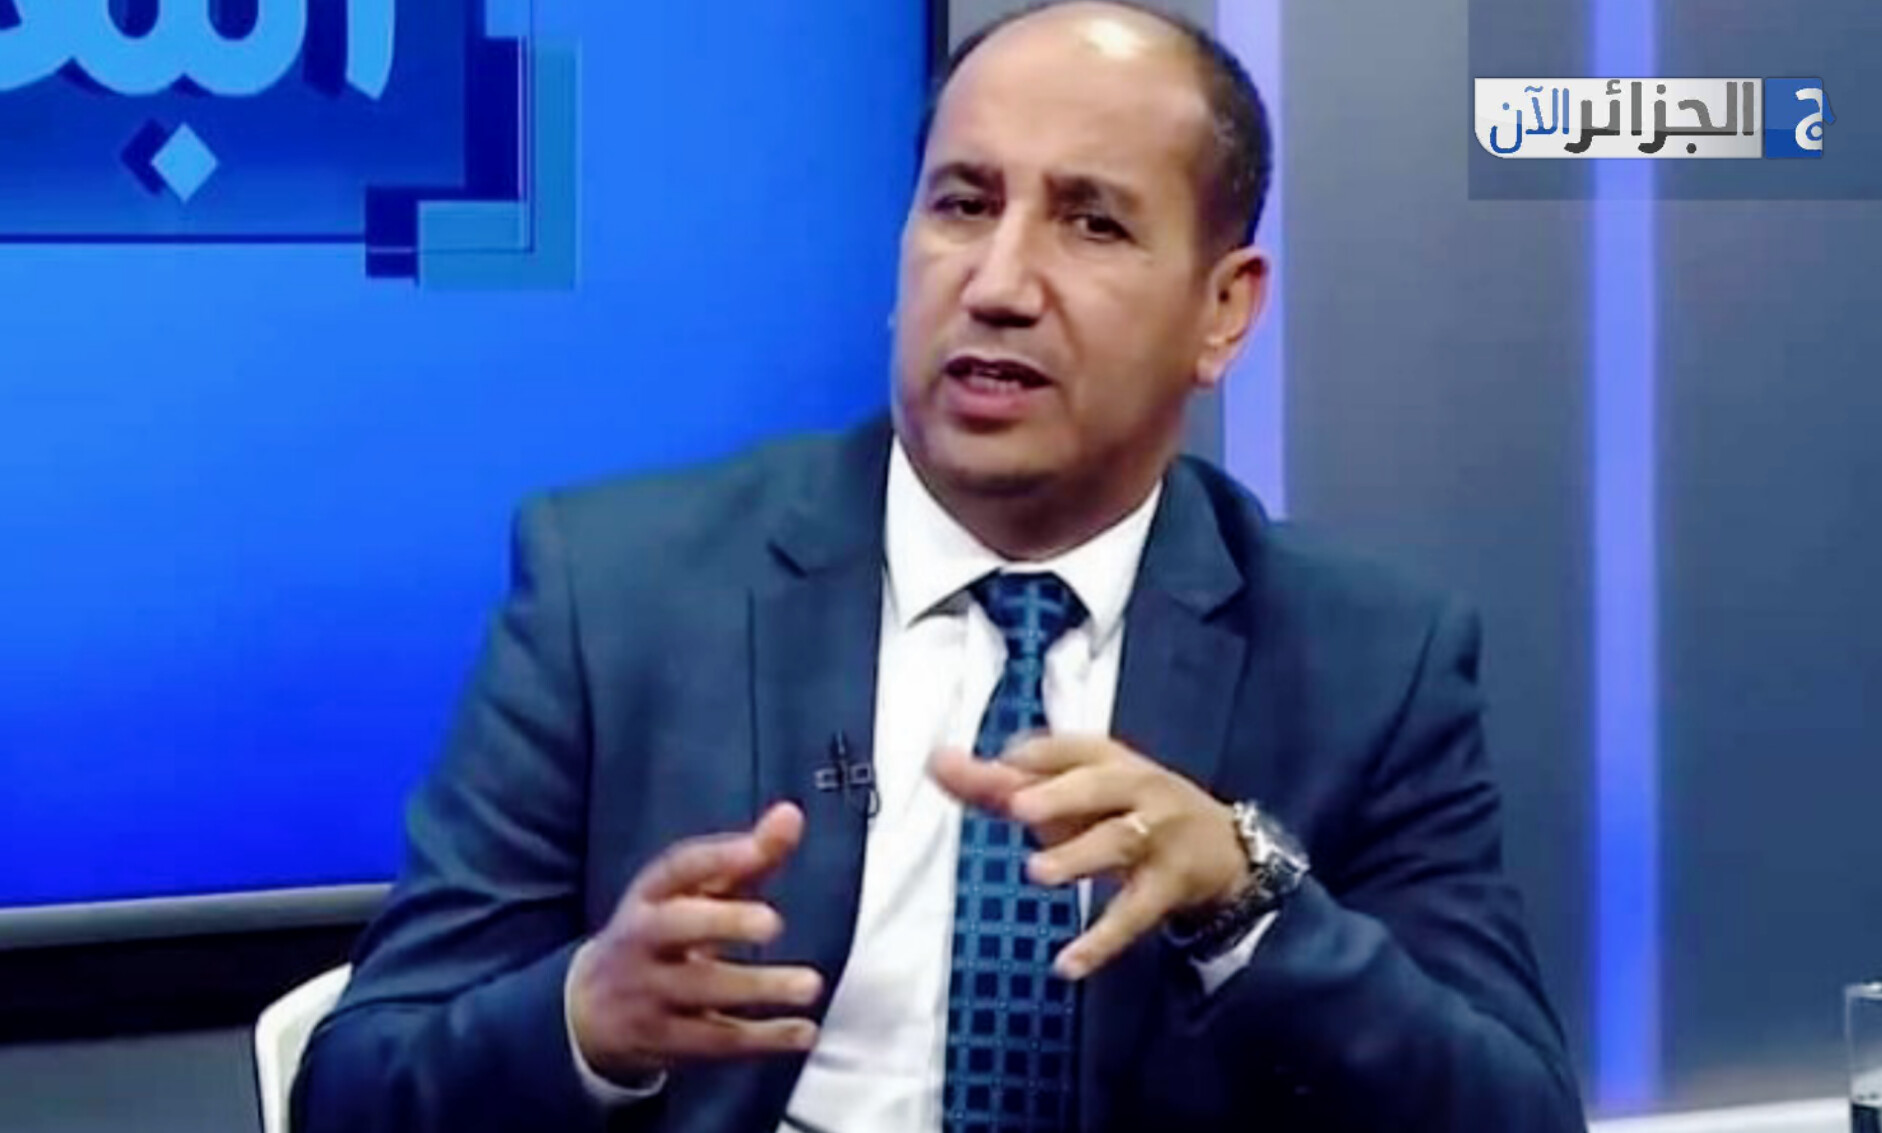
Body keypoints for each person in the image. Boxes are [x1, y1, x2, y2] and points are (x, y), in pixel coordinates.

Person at [293, 3, 1587, 1131]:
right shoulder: (617, 591)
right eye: (963, 205)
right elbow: (352, 1090)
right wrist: (590, 1018)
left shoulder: (1368, 659)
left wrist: (1247, 900)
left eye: (1091, 223)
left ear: (1223, 310)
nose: (999, 283)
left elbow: (1514, 1111)